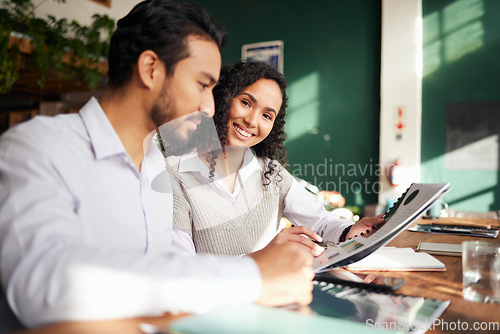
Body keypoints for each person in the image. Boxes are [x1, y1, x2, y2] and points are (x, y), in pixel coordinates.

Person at [0, 0, 314, 328]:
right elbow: (45, 284)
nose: (209, 107)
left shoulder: (157, 168)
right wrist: (253, 276)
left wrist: (260, 268)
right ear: (150, 69)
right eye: (202, 84)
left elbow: (173, 282)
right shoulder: (37, 147)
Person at [167, 61, 384, 256]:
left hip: (269, 294)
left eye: (267, 116)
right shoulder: (174, 174)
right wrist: (262, 258)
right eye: (245, 102)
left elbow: (320, 221)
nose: (252, 121)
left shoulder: (270, 173)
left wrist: (349, 231)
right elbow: (181, 267)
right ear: (222, 97)